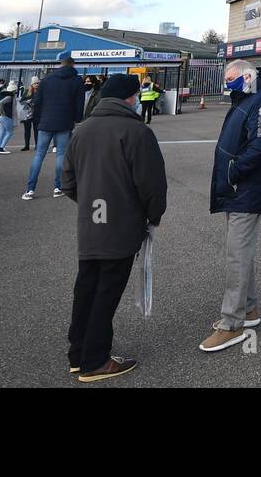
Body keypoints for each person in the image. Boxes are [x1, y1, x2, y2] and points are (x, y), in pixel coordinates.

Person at [61, 73, 167, 383]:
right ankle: (95, 360)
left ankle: (78, 353)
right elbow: (152, 185)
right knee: (107, 290)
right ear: (130, 98)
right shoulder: (136, 132)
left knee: (86, 287)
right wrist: (151, 215)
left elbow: (67, 181)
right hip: (121, 226)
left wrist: (91, 203)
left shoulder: (81, 131)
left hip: (90, 224)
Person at [201, 58, 261, 353]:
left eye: (233, 79)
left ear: (248, 76)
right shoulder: (246, 99)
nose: (228, 84)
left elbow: (259, 146)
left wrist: (233, 171)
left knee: (236, 255)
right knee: (240, 252)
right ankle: (248, 310)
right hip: (236, 188)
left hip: (245, 188)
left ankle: (231, 323)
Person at [23, 57, 85, 201]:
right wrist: (76, 119)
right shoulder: (76, 81)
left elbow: (37, 101)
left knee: (39, 155)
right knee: (61, 155)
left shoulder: (46, 80)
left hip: (46, 121)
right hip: (64, 121)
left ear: (60, 65)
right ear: (73, 65)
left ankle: (30, 189)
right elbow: (79, 103)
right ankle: (58, 187)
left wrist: (40, 117)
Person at [0, 81, 17, 154]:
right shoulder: (9, 97)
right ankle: (1, 148)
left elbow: (0, 103)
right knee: (9, 132)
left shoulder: (4, 95)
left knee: (2, 132)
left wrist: (1, 112)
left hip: (1, 117)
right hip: (7, 116)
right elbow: (0, 103)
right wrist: (1, 111)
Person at [18, 77, 38, 150]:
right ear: (32, 84)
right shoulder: (27, 91)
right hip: (27, 113)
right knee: (27, 130)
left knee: (37, 130)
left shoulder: (40, 91)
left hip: (36, 113)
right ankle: (27, 145)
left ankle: (37, 145)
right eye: (35, 83)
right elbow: (21, 101)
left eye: (38, 83)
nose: (36, 85)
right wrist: (27, 101)